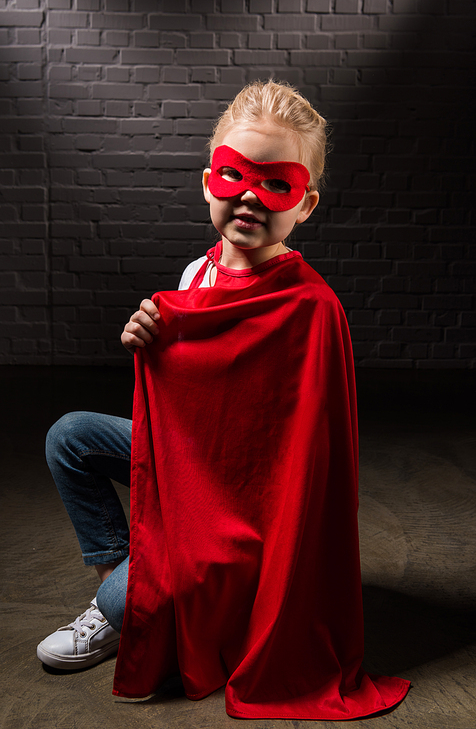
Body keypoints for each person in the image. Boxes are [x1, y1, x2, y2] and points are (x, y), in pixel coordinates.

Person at [37, 80, 409, 719]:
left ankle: (129, 604)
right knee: (70, 435)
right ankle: (124, 578)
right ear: (209, 181)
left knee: (133, 605)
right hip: (188, 462)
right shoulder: (196, 277)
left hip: (245, 508)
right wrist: (144, 335)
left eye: (275, 184)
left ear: (306, 204)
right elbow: (186, 390)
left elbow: (303, 454)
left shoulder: (310, 309)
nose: (248, 196)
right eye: (235, 175)